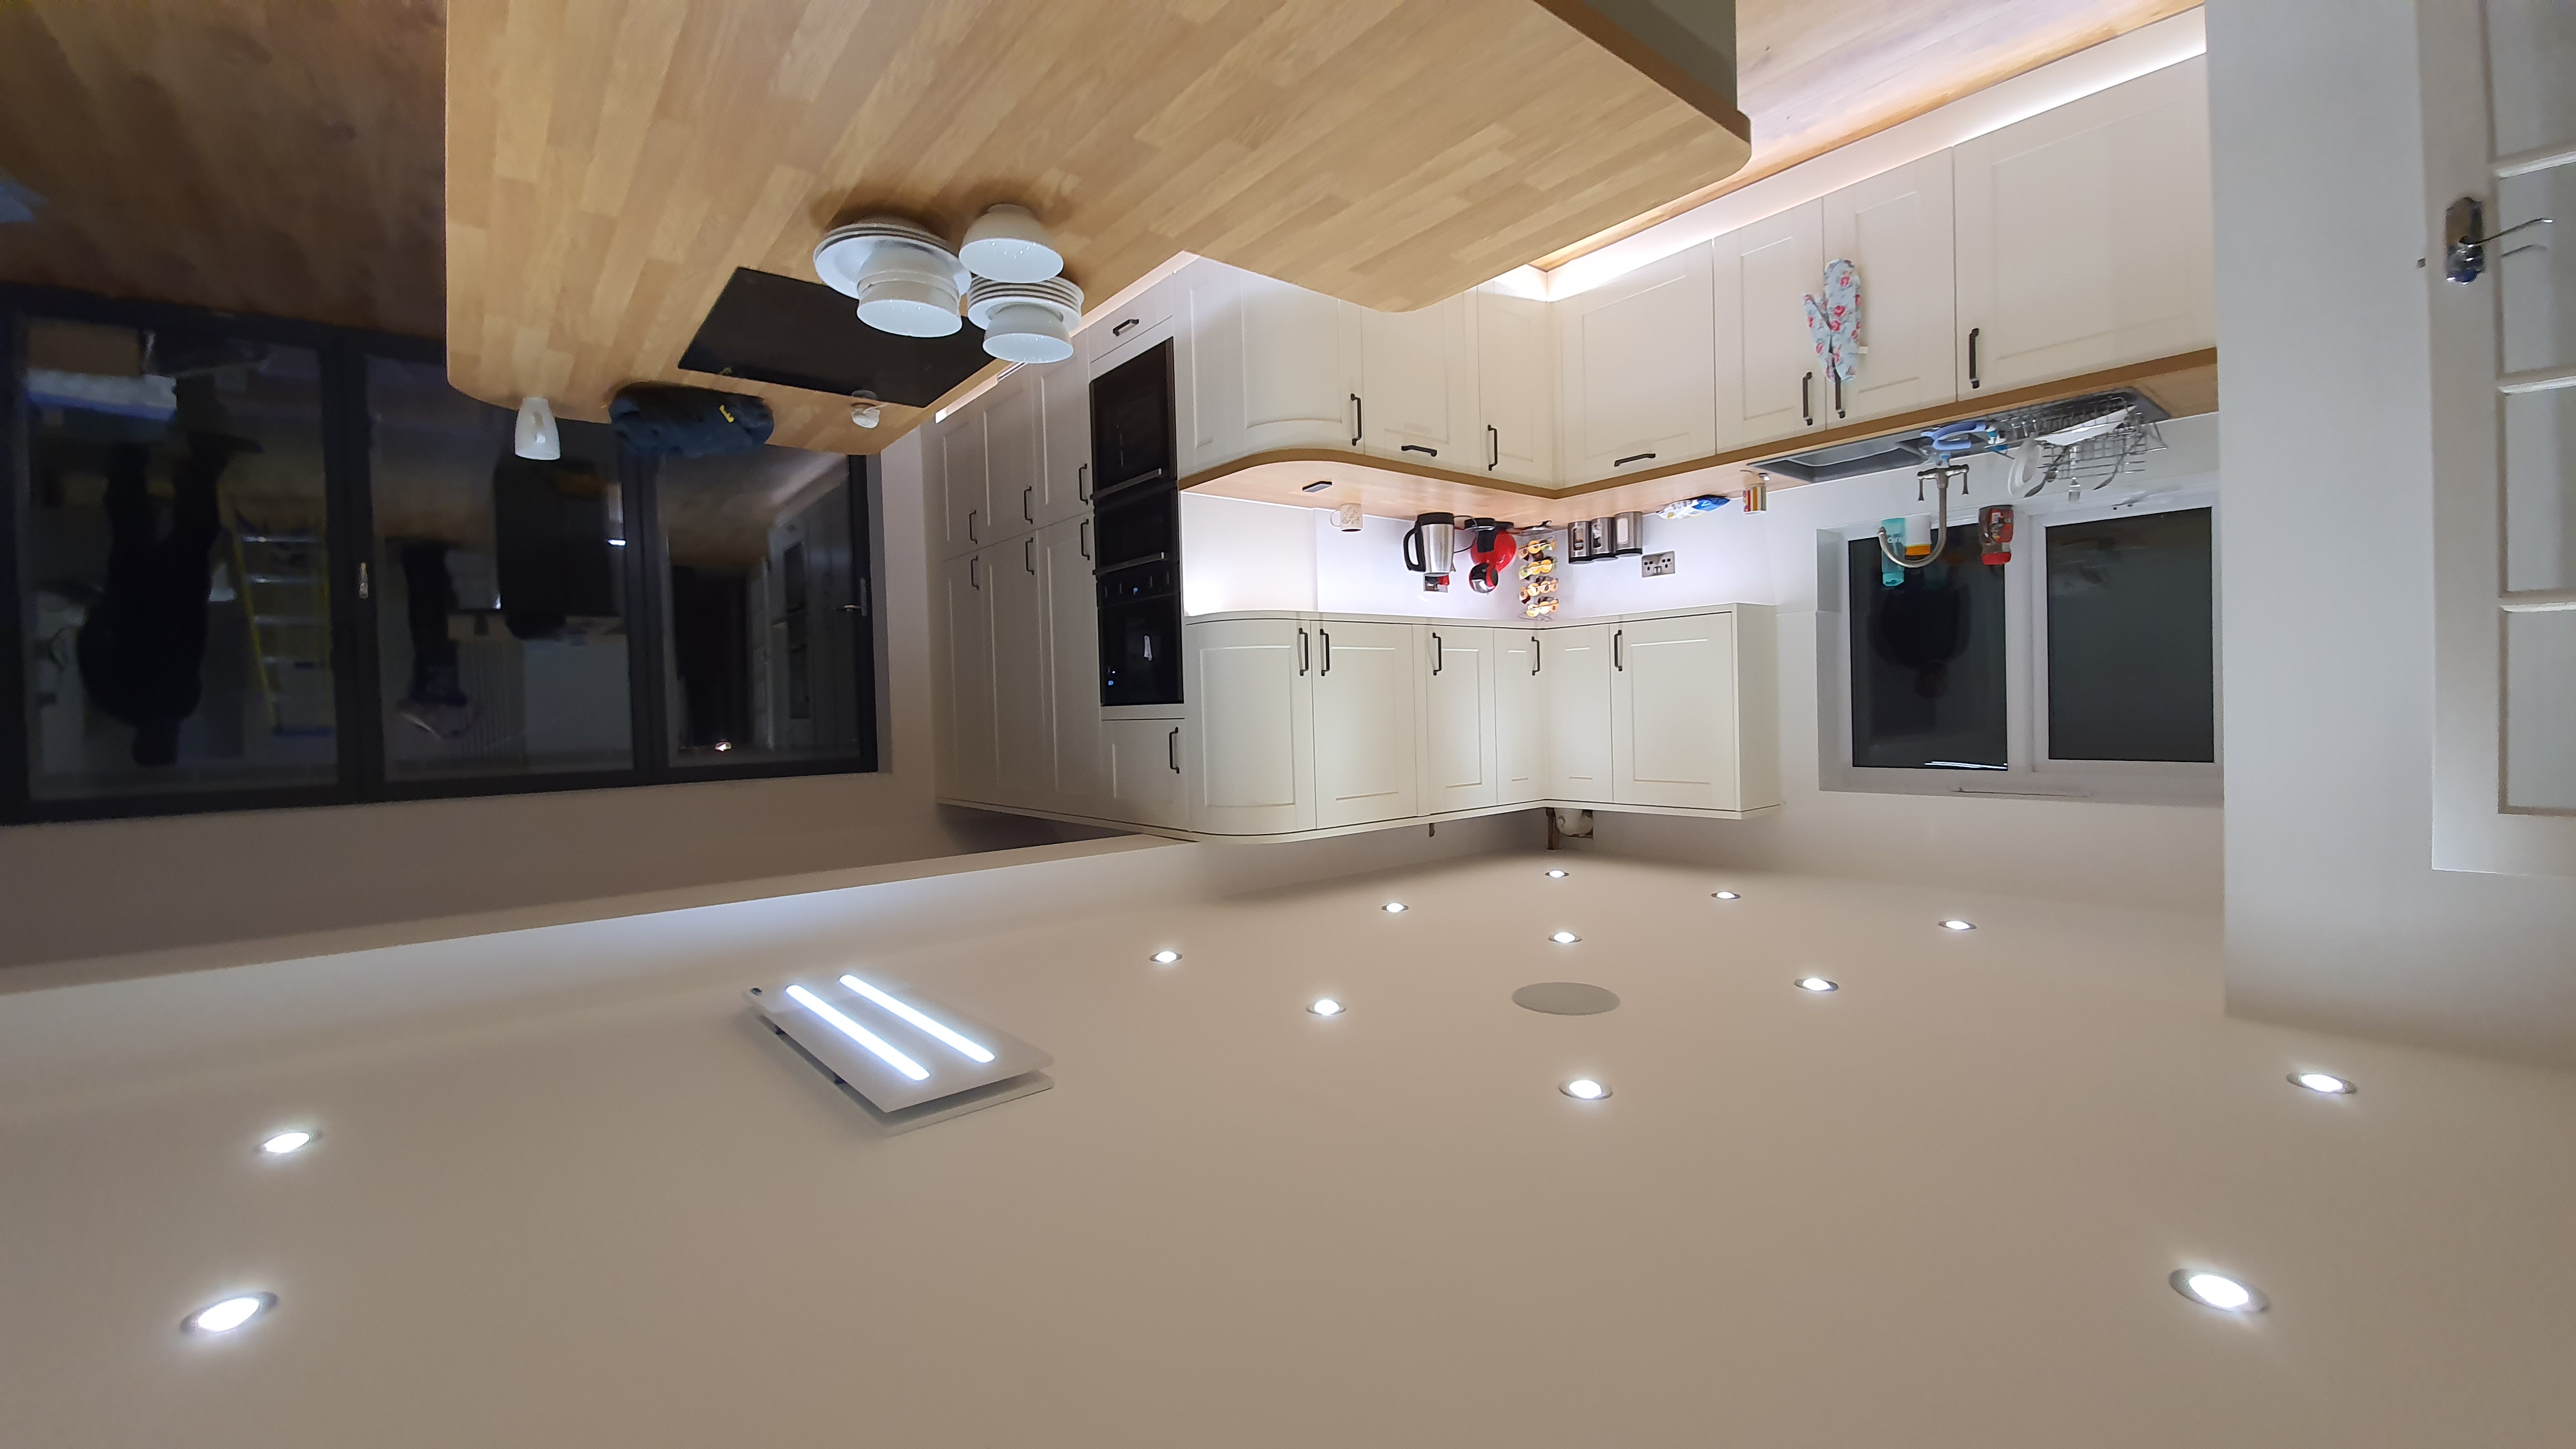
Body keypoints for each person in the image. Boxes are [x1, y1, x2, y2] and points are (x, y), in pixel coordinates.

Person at [74, 430, 244, 766]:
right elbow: (89, 653)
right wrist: (102, 613)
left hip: (178, 599)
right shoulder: (116, 702)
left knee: (192, 532)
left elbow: (195, 643)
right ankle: (129, 461)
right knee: (132, 529)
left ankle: (200, 465)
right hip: (133, 600)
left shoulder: (182, 704)